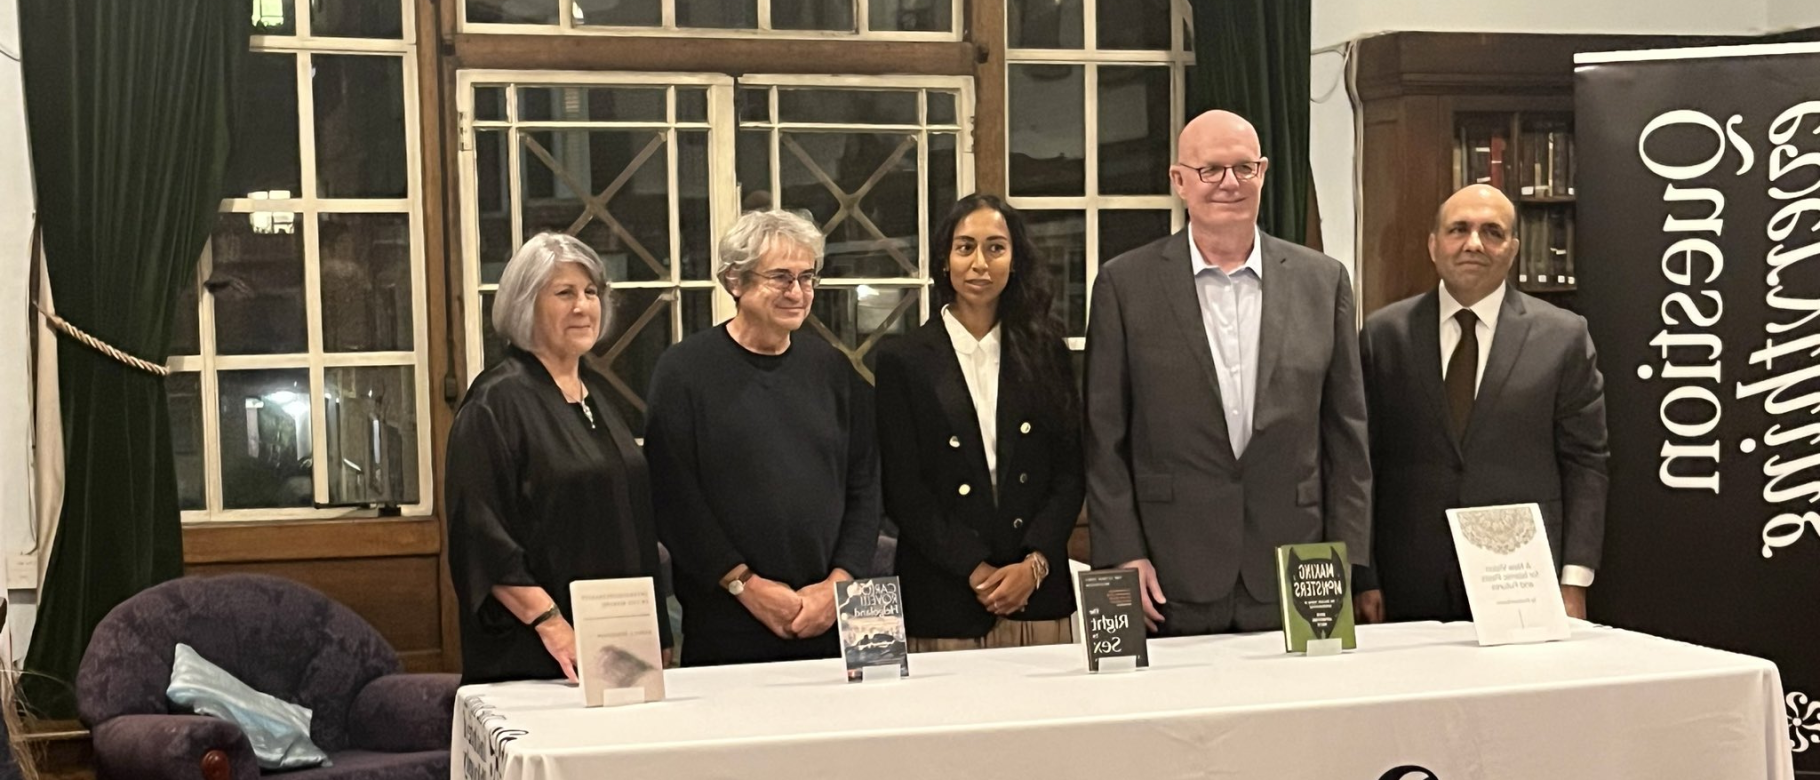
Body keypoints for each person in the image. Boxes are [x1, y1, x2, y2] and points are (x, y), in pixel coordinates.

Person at [1084, 109, 1371, 636]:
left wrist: (1347, 558)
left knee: (1306, 715)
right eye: (1210, 170)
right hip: (1167, 573)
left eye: (1244, 168)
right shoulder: (1125, 286)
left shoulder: (1323, 282)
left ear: (1263, 172)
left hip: (1304, 569)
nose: (1229, 184)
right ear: (1179, 181)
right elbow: (1106, 438)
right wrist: (1123, 552)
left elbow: (1347, 437)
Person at [1354, 184, 1608, 622]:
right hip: (1406, 577)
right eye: (1459, 230)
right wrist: (1363, 575)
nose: (1474, 243)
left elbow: (1586, 463)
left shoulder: (1563, 337)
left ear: (1512, 249)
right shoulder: (1383, 336)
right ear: (1433, 245)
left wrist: (1574, 581)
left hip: (1522, 579)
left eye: (1492, 232)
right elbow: (1361, 463)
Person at [645, 209, 881, 666]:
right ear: (735, 281)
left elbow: (866, 486)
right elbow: (674, 499)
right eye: (781, 277)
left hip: (833, 618)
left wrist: (838, 587)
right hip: (728, 621)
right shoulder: (683, 372)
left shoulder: (833, 369)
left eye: (807, 277)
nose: (798, 292)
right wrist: (743, 584)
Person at [445, 232, 672, 685]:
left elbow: (632, 522)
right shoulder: (495, 401)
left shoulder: (597, 395)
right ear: (525, 304)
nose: (583, 307)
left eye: (591, 293)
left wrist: (656, 633)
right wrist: (552, 625)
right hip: (541, 652)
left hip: (619, 647)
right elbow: (481, 533)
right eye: (564, 293)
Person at [874, 194, 1082, 651]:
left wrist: (1034, 566)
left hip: (1036, 595)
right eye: (965, 247)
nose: (979, 263)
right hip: (943, 598)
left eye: (996, 247)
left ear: (1016, 259)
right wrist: (975, 569)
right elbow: (903, 488)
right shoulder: (901, 361)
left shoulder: (1047, 352)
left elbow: (1070, 473)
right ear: (945, 261)